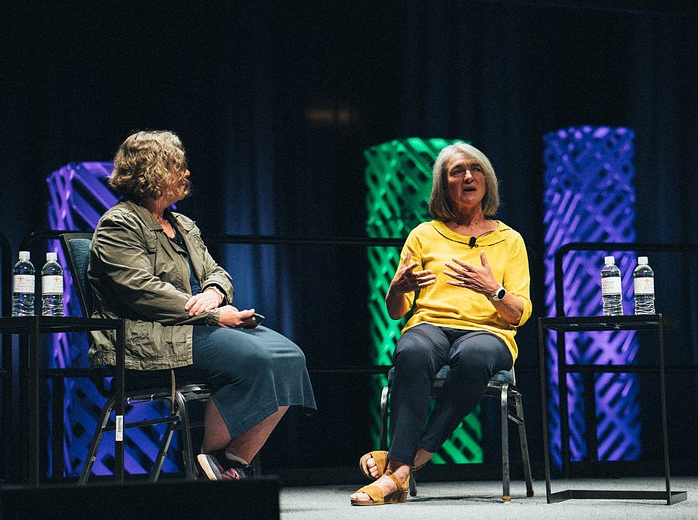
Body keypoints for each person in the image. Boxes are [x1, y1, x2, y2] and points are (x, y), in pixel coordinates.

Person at [87, 130, 316, 480]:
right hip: (144, 338)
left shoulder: (183, 224)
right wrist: (212, 312)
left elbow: (217, 272)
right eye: (177, 165)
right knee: (252, 359)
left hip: (193, 325)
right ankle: (208, 458)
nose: (187, 173)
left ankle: (233, 461)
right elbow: (142, 290)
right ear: (152, 171)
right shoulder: (118, 225)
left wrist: (214, 291)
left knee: (290, 358)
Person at [350, 143, 532, 505]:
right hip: (430, 326)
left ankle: (404, 464)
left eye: (475, 169)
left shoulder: (510, 240)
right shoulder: (423, 234)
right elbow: (396, 311)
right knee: (411, 350)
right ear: (443, 186)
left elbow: (519, 314)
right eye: (457, 171)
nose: (468, 176)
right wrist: (396, 289)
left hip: (489, 332)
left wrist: (491, 289)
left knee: (475, 356)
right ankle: (402, 467)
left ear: (487, 180)